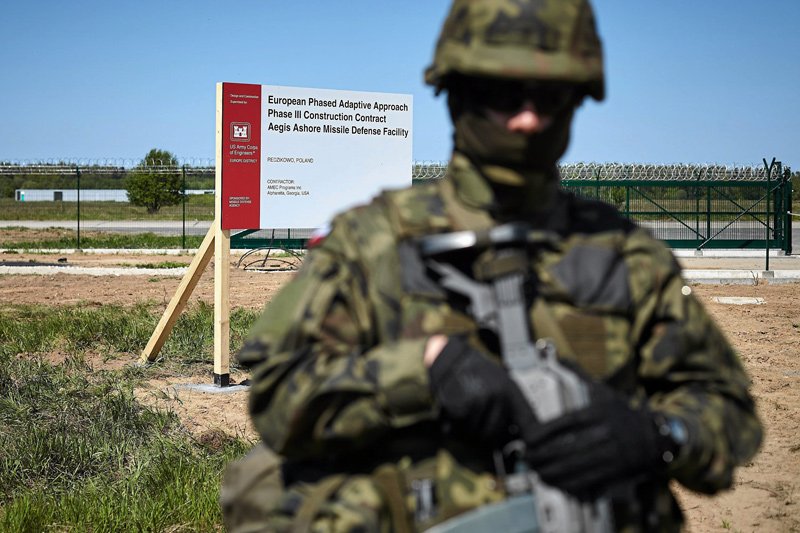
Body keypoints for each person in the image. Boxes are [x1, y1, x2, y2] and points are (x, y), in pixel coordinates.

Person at [222, 0, 763, 531]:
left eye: (549, 97)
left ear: (577, 101)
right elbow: (277, 399)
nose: (527, 118)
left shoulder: (625, 256)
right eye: (504, 94)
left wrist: (657, 435)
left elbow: (730, 415)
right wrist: (423, 370)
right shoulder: (372, 245)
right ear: (457, 96)